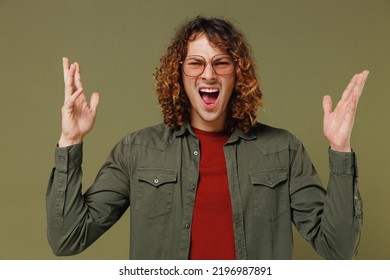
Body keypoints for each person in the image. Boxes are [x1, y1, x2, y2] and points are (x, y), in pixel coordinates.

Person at [46, 16, 368, 260]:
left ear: (237, 73)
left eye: (221, 63)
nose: (208, 74)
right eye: (196, 63)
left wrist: (340, 149)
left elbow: (338, 248)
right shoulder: (137, 151)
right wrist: (70, 140)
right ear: (179, 74)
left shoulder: (283, 150)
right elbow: (68, 238)